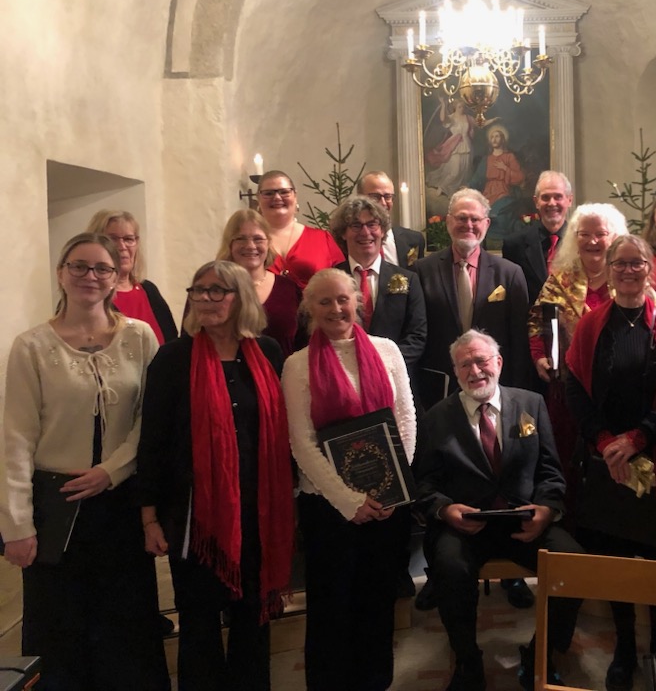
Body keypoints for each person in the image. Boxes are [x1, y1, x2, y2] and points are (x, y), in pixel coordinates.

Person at [0, 232, 170, 690]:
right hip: (56, 505)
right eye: (79, 266)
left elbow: (151, 420)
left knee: (126, 627)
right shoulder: (32, 347)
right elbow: (16, 439)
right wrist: (16, 525)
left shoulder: (140, 337)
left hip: (121, 502)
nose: (89, 276)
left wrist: (110, 471)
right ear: (61, 273)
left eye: (101, 268)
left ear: (116, 277)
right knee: (60, 629)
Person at [137, 261, 294, 691]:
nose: (205, 299)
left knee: (253, 618)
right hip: (195, 516)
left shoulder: (268, 352)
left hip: (258, 510)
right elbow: (152, 441)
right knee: (199, 621)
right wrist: (149, 517)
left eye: (217, 290)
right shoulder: (173, 358)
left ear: (240, 297)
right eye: (198, 290)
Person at [414, 329, 584, 691]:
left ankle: (540, 655)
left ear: (499, 363)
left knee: (575, 564)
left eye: (481, 361)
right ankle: (467, 661)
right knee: (449, 569)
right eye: (465, 364)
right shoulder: (436, 418)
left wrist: (546, 510)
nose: (475, 370)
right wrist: (445, 510)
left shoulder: (531, 403)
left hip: (524, 523)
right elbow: (424, 485)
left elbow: (551, 471)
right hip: (464, 527)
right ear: (455, 372)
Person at [565, 234, 656, 691]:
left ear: (649, 269)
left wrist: (639, 437)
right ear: (608, 268)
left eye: (636, 262)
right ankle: (624, 646)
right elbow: (574, 388)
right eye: (619, 263)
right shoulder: (591, 324)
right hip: (609, 464)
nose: (627, 270)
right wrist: (606, 442)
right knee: (617, 560)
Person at [283, 268, 416, 691]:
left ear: (357, 301)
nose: (336, 308)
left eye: (343, 299)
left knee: (378, 599)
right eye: (324, 301)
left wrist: (394, 488)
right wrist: (347, 500)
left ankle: (374, 682)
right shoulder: (297, 365)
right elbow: (301, 442)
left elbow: (406, 419)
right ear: (309, 308)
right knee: (332, 605)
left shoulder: (387, 350)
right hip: (327, 506)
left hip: (386, 505)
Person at [526, 203, 628, 470]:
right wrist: (539, 357)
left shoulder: (627, 276)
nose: (592, 241)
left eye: (601, 234)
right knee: (565, 459)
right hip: (568, 388)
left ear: (614, 237)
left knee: (613, 462)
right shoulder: (560, 279)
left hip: (618, 388)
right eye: (584, 234)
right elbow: (537, 319)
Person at [411, 188, 530, 410]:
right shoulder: (422, 271)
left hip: (493, 383)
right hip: (440, 387)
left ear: (487, 224)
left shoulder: (510, 273)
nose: (468, 225)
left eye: (475, 219)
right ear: (448, 221)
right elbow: (418, 333)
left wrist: (516, 389)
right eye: (461, 218)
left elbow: (519, 339)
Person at [329, 196, 427, 370]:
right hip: (342, 374)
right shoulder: (329, 281)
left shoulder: (409, 279)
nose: (365, 232)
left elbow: (416, 336)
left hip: (393, 375)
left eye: (372, 224)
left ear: (382, 231)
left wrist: (381, 366)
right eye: (356, 225)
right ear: (343, 233)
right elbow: (318, 332)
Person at [216, 208, 304, 356]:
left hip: (282, 370)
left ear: (268, 243)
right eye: (241, 238)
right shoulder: (211, 289)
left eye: (258, 239)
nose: (250, 246)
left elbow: (305, 345)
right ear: (229, 244)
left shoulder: (289, 290)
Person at [87, 209, 178, 344]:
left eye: (128, 239)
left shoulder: (149, 290)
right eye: (112, 239)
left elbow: (172, 343)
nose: (122, 246)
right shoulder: (86, 295)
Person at [257, 169, 344, 288]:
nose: (277, 197)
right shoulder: (250, 242)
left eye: (284, 192)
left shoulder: (322, 239)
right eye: (268, 193)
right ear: (258, 199)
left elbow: (342, 284)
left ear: (295, 196)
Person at [502, 170, 574, 303]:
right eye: (545, 197)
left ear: (569, 200)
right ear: (536, 202)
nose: (552, 203)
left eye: (558, 197)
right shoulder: (514, 245)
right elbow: (510, 296)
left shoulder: (580, 242)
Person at [357, 170, 425, 268]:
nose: (383, 203)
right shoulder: (351, 240)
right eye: (375, 197)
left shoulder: (414, 240)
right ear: (359, 198)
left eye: (387, 197)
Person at [470, 124, 525, 239]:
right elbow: (477, 178)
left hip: (503, 192)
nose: (494, 139)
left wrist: (505, 168)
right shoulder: (486, 159)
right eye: (492, 137)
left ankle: (501, 241)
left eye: (497, 136)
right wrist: (467, 187)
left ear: (503, 139)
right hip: (488, 193)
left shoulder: (509, 157)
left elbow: (519, 177)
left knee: (498, 216)